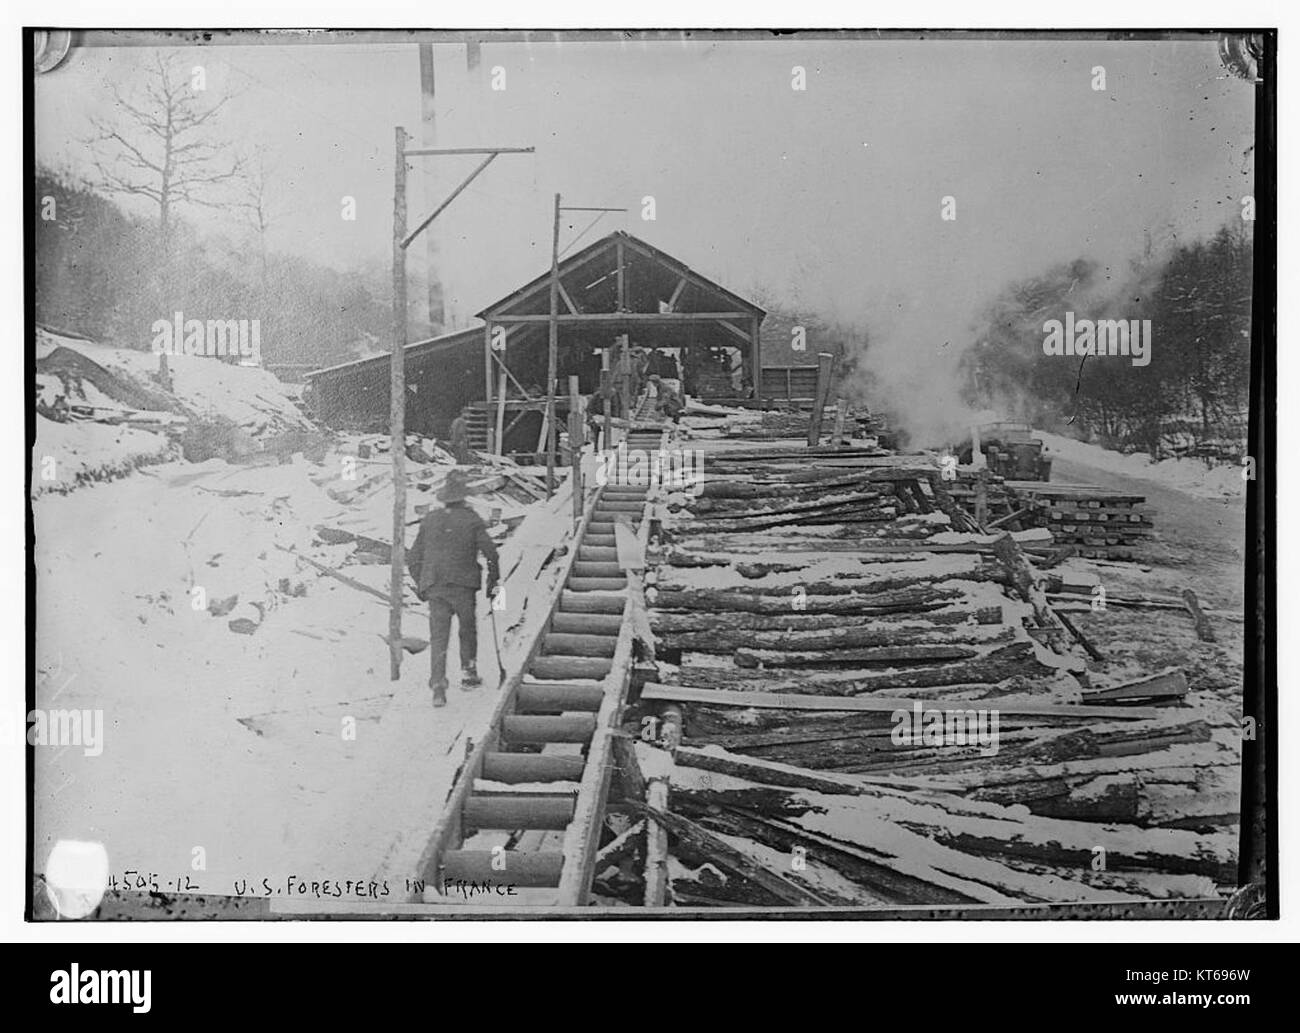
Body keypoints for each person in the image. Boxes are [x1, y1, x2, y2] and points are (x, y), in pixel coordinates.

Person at [407, 469, 500, 707]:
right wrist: (493, 582)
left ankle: (438, 686)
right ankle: (469, 673)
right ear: (463, 497)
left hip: (435, 587)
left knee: (438, 636)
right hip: (463, 586)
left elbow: (413, 556)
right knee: (467, 629)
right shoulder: (471, 519)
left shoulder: (430, 519)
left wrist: (421, 584)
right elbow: (491, 553)